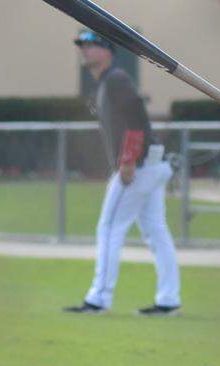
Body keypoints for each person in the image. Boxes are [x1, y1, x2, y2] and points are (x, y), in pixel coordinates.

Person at [64, 30, 181, 316]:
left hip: (139, 165)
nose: (84, 50)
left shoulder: (116, 80)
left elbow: (136, 118)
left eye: (91, 45)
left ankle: (98, 299)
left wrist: (128, 159)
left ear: (108, 51)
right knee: (156, 231)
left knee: (108, 229)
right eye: (82, 46)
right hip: (152, 164)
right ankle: (168, 300)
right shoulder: (109, 82)